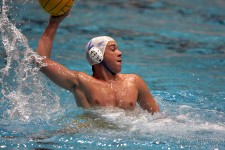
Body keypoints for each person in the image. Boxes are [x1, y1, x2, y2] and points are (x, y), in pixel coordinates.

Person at [36, 13, 159, 115]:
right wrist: (53, 23)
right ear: (96, 54)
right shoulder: (81, 82)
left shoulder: (134, 82)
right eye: (113, 49)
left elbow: (157, 118)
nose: (120, 53)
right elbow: (41, 60)